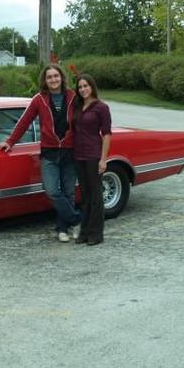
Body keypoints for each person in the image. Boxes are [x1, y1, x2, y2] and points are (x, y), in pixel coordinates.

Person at [0, 64, 80, 243]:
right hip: (49, 152)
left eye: (56, 76)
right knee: (51, 191)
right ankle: (77, 220)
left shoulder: (73, 96)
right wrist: (10, 141)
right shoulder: (39, 99)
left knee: (69, 192)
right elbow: (25, 121)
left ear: (61, 77)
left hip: (70, 151)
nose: (53, 80)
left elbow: (86, 118)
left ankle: (63, 229)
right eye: (49, 77)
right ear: (45, 80)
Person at [72, 73, 112, 246]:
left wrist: (103, 160)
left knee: (96, 196)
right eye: (80, 87)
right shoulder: (78, 106)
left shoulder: (101, 107)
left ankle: (96, 234)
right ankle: (85, 232)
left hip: (93, 156)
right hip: (78, 156)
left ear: (92, 86)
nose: (83, 89)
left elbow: (107, 134)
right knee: (85, 195)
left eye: (85, 86)